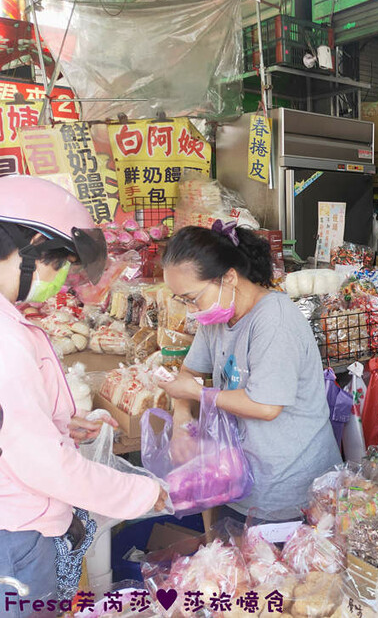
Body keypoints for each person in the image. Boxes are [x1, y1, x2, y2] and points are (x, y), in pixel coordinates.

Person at [0, 176, 167, 614]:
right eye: (57, 265)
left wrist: (54, 424)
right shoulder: (5, 340)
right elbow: (44, 467)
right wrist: (144, 494)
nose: (57, 281)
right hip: (15, 532)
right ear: (30, 247)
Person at [159, 221, 341, 522]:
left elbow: (266, 405)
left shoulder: (274, 321)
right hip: (236, 479)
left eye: (192, 298)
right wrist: (181, 419)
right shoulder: (215, 317)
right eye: (182, 301)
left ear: (229, 277)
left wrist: (200, 394)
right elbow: (188, 374)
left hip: (290, 492)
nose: (191, 311)